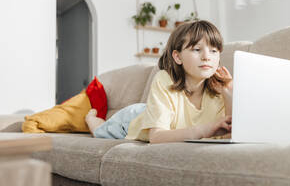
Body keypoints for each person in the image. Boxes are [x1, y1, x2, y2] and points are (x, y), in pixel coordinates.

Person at [85, 20, 233, 143]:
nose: (207, 57)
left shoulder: (219, 88)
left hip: (154, 110)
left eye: (214, 51)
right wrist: (205, 130)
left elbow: (230, 136)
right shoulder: (165, 79)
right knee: (100, 132)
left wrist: (228, 93)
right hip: (132, 119)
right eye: (196, 49)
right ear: (178, 57)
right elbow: (156, 137)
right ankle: (91, 119)